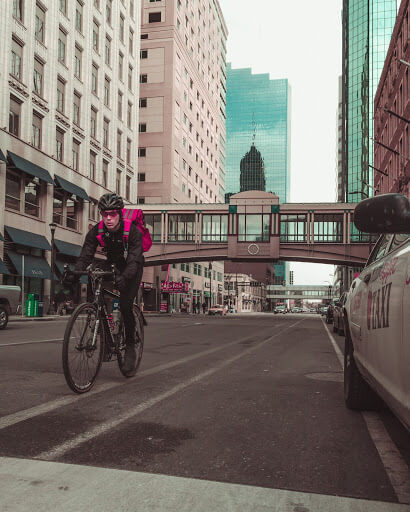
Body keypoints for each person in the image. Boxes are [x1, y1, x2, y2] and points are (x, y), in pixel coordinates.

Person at [63, 193, 144, 375]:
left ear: (120, 214)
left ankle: (130, 345)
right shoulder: (97, 230)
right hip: (112, 264)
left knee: (125, 304)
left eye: (113, 214)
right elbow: (86, 255)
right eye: (104, 214)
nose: (108, 218)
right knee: (94, 282)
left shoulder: (132, 231)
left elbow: (134, 260)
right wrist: (75, 274)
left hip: (132, 267)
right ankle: (103, 330)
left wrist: (124, 277)